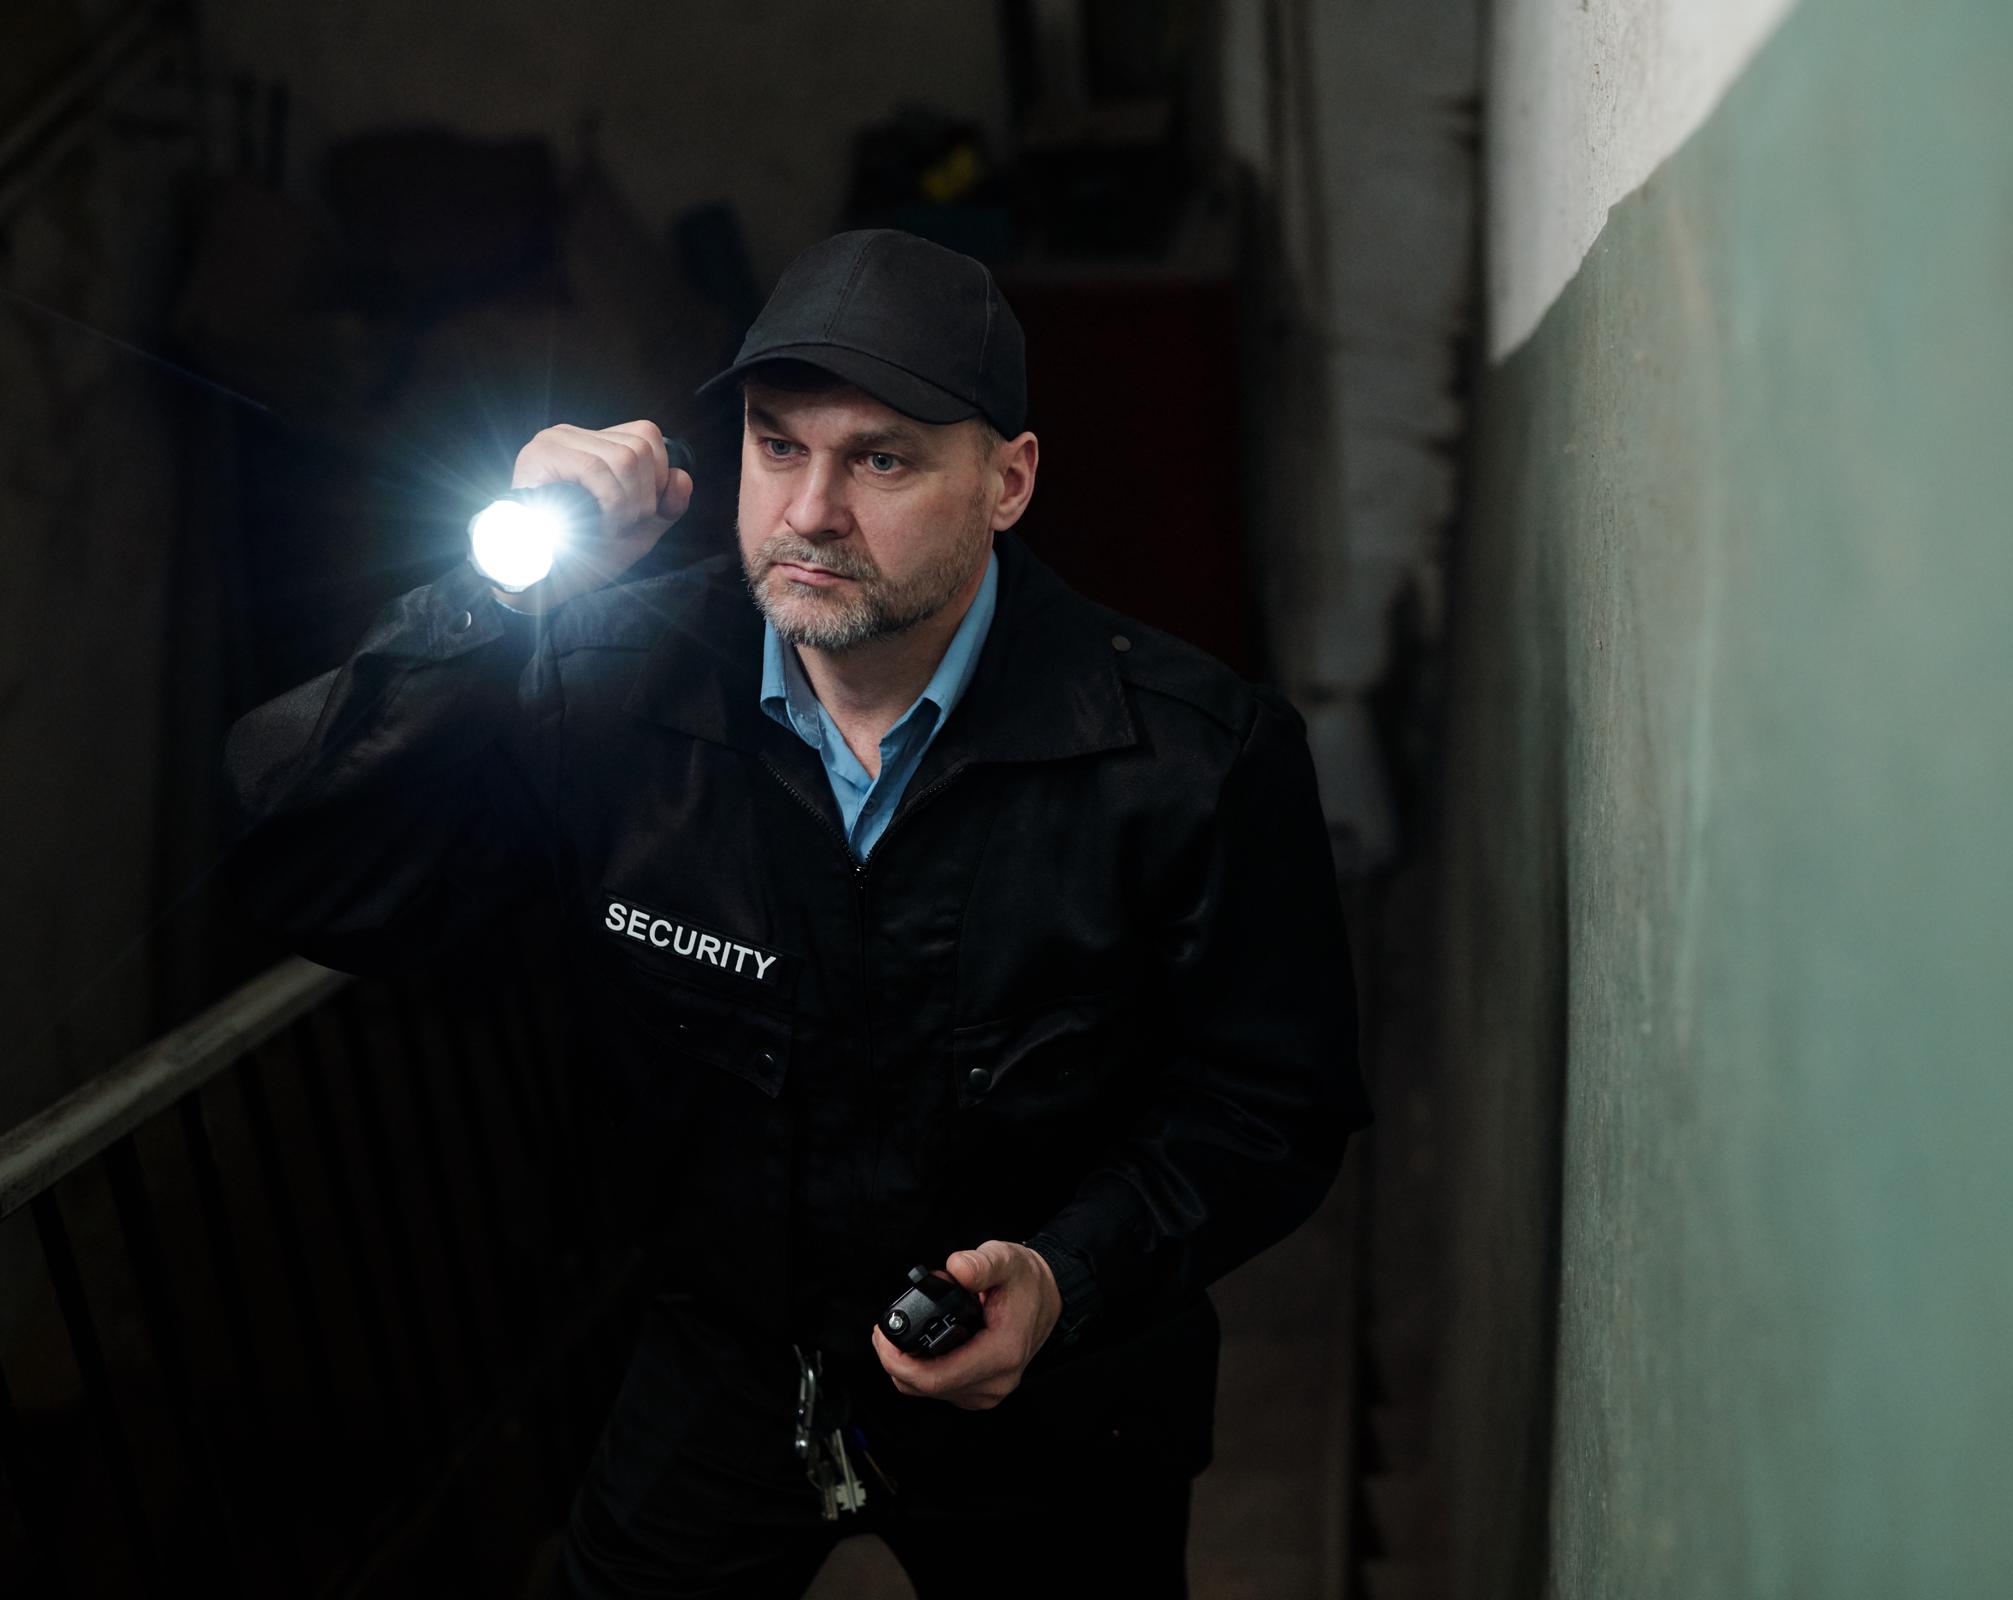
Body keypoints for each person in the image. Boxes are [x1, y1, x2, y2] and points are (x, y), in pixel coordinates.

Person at [221, 227, 1371, 1596]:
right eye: (778, 447)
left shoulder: (1193, 757)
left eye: (880, 458)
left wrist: (1067, 1277)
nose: (812, 511)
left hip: (1060, 1393)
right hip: (722, 1355)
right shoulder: (610, 688)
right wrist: (489, 599)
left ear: (1007, 482)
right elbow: (308, 852)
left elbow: (1271, 1101)